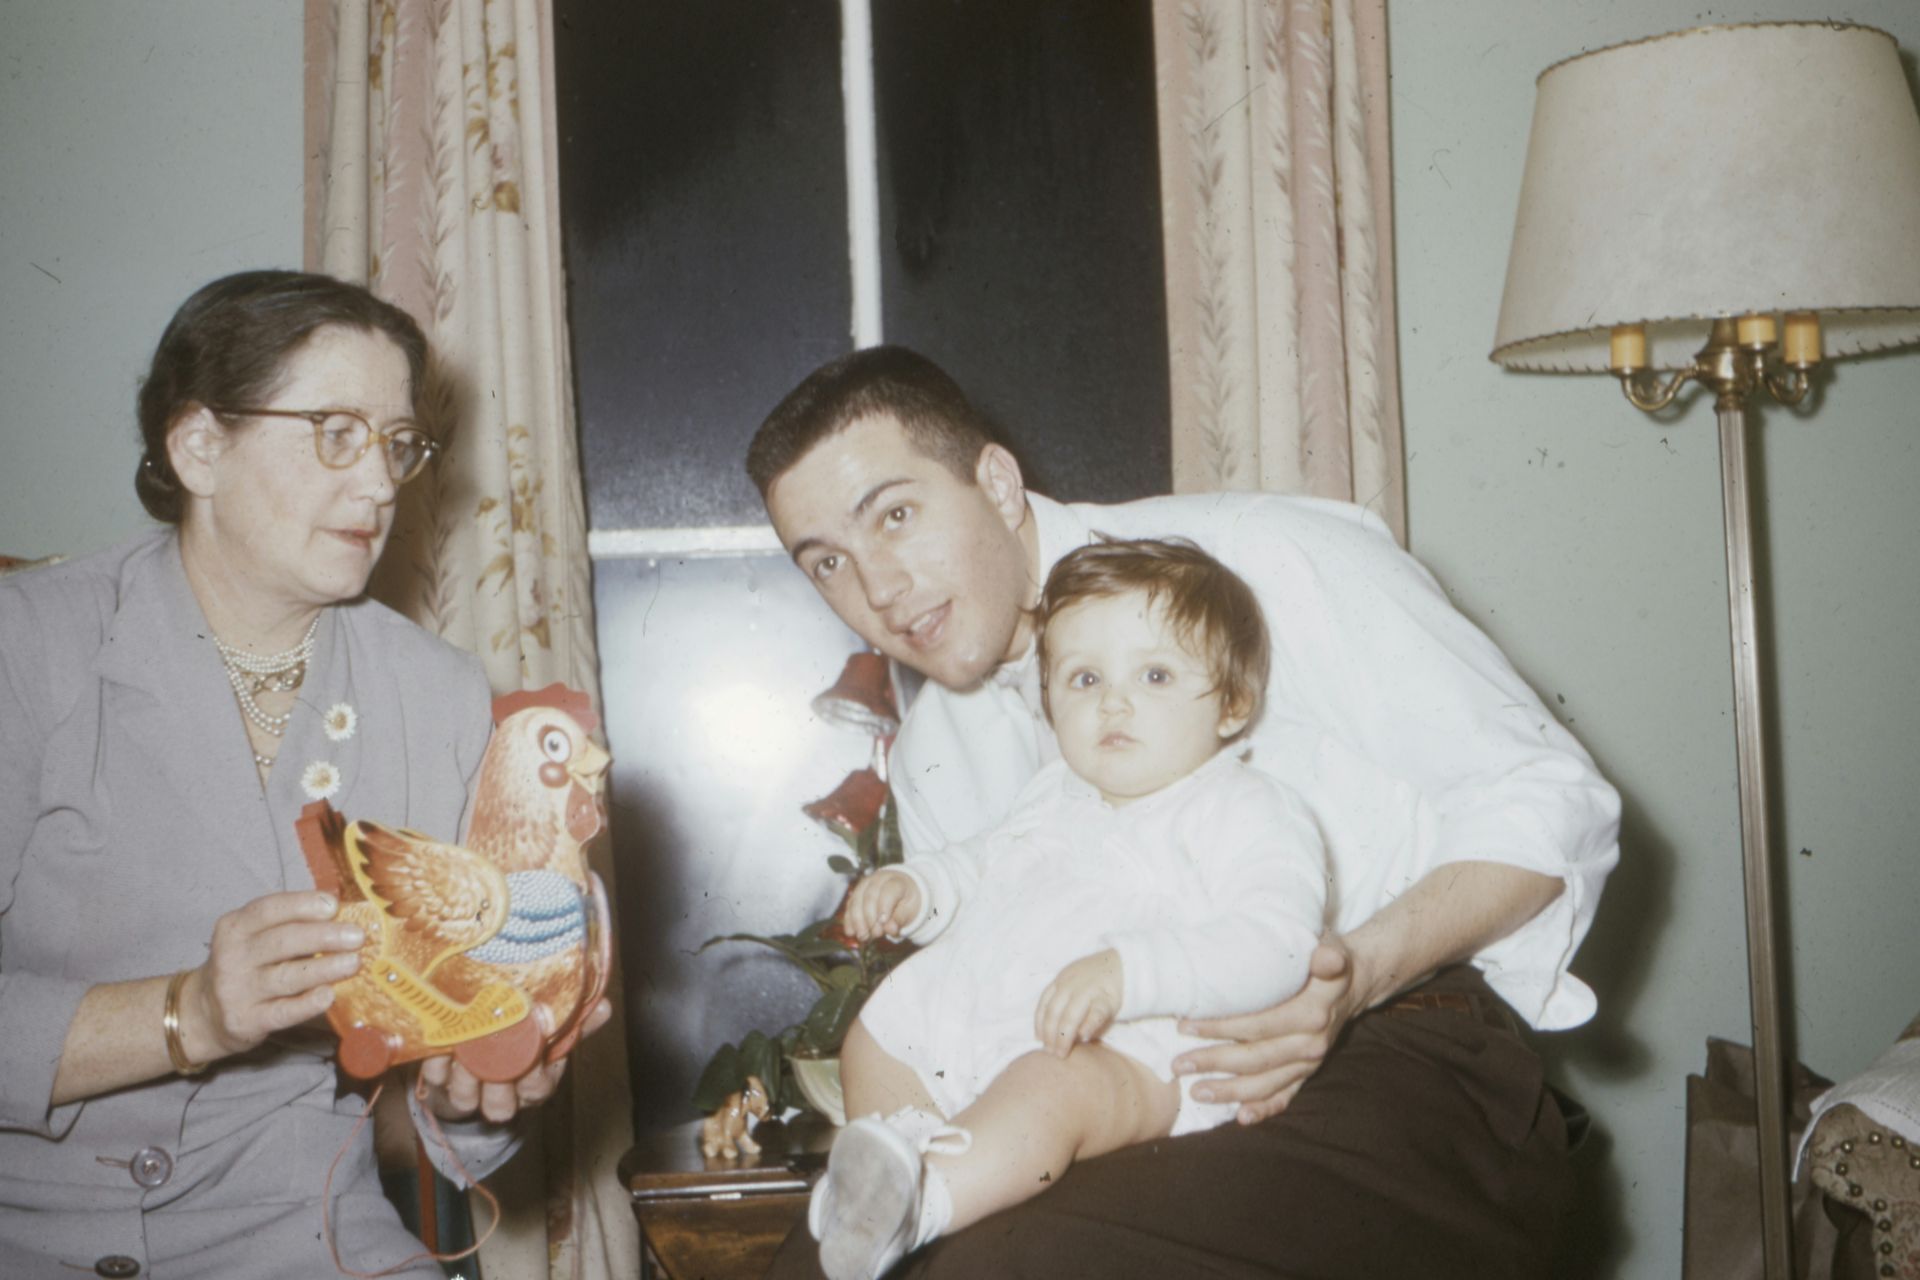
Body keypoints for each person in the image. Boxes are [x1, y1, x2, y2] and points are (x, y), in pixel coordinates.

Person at [748, 345, 1621, 1279]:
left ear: (997, 483)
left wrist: (1355, 976)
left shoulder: (1255, 557)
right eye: (829, 563)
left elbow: (1551, 795)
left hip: (1399, 1051)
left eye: (897, 515)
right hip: (1125, 1091)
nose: (877, 589)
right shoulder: (935, 757)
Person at [0, 270, 606, 1279]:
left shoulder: (442, 695)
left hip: (306, 1234)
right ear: (199, 446)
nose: (380, 484)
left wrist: (483, 1080)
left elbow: (436, 1119)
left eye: (397, 442)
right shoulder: (28, 648)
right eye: (335, 432)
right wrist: (185, 1014)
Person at [810, 537, 1329, 1280]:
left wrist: (1131, 973)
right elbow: (984, 861)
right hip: (989, 1018)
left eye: (1154, 674)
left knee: (1054, 1092)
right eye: (1083, 678)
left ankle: (921, 1205)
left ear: (1233, 703)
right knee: (877, 1036)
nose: (1113, 701)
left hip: (1128, 1050)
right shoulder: (1053, 791)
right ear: (1049, 700)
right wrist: (922, 889)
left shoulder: (1243, 809)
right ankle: (894, 1161)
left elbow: (1278, 942)